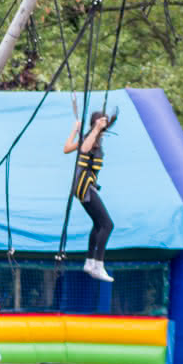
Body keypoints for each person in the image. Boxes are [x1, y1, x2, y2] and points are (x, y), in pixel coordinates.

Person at [63, 111, 117, 281]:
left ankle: (89, 261)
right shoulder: (90, 138)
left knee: (98, 224)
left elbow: (67, 148)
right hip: (84, 186)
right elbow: (83, 149)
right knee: (107, 225)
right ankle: (98, 264)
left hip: (85, 186)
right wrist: (92, 129)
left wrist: (75, 130)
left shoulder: (93, 138)